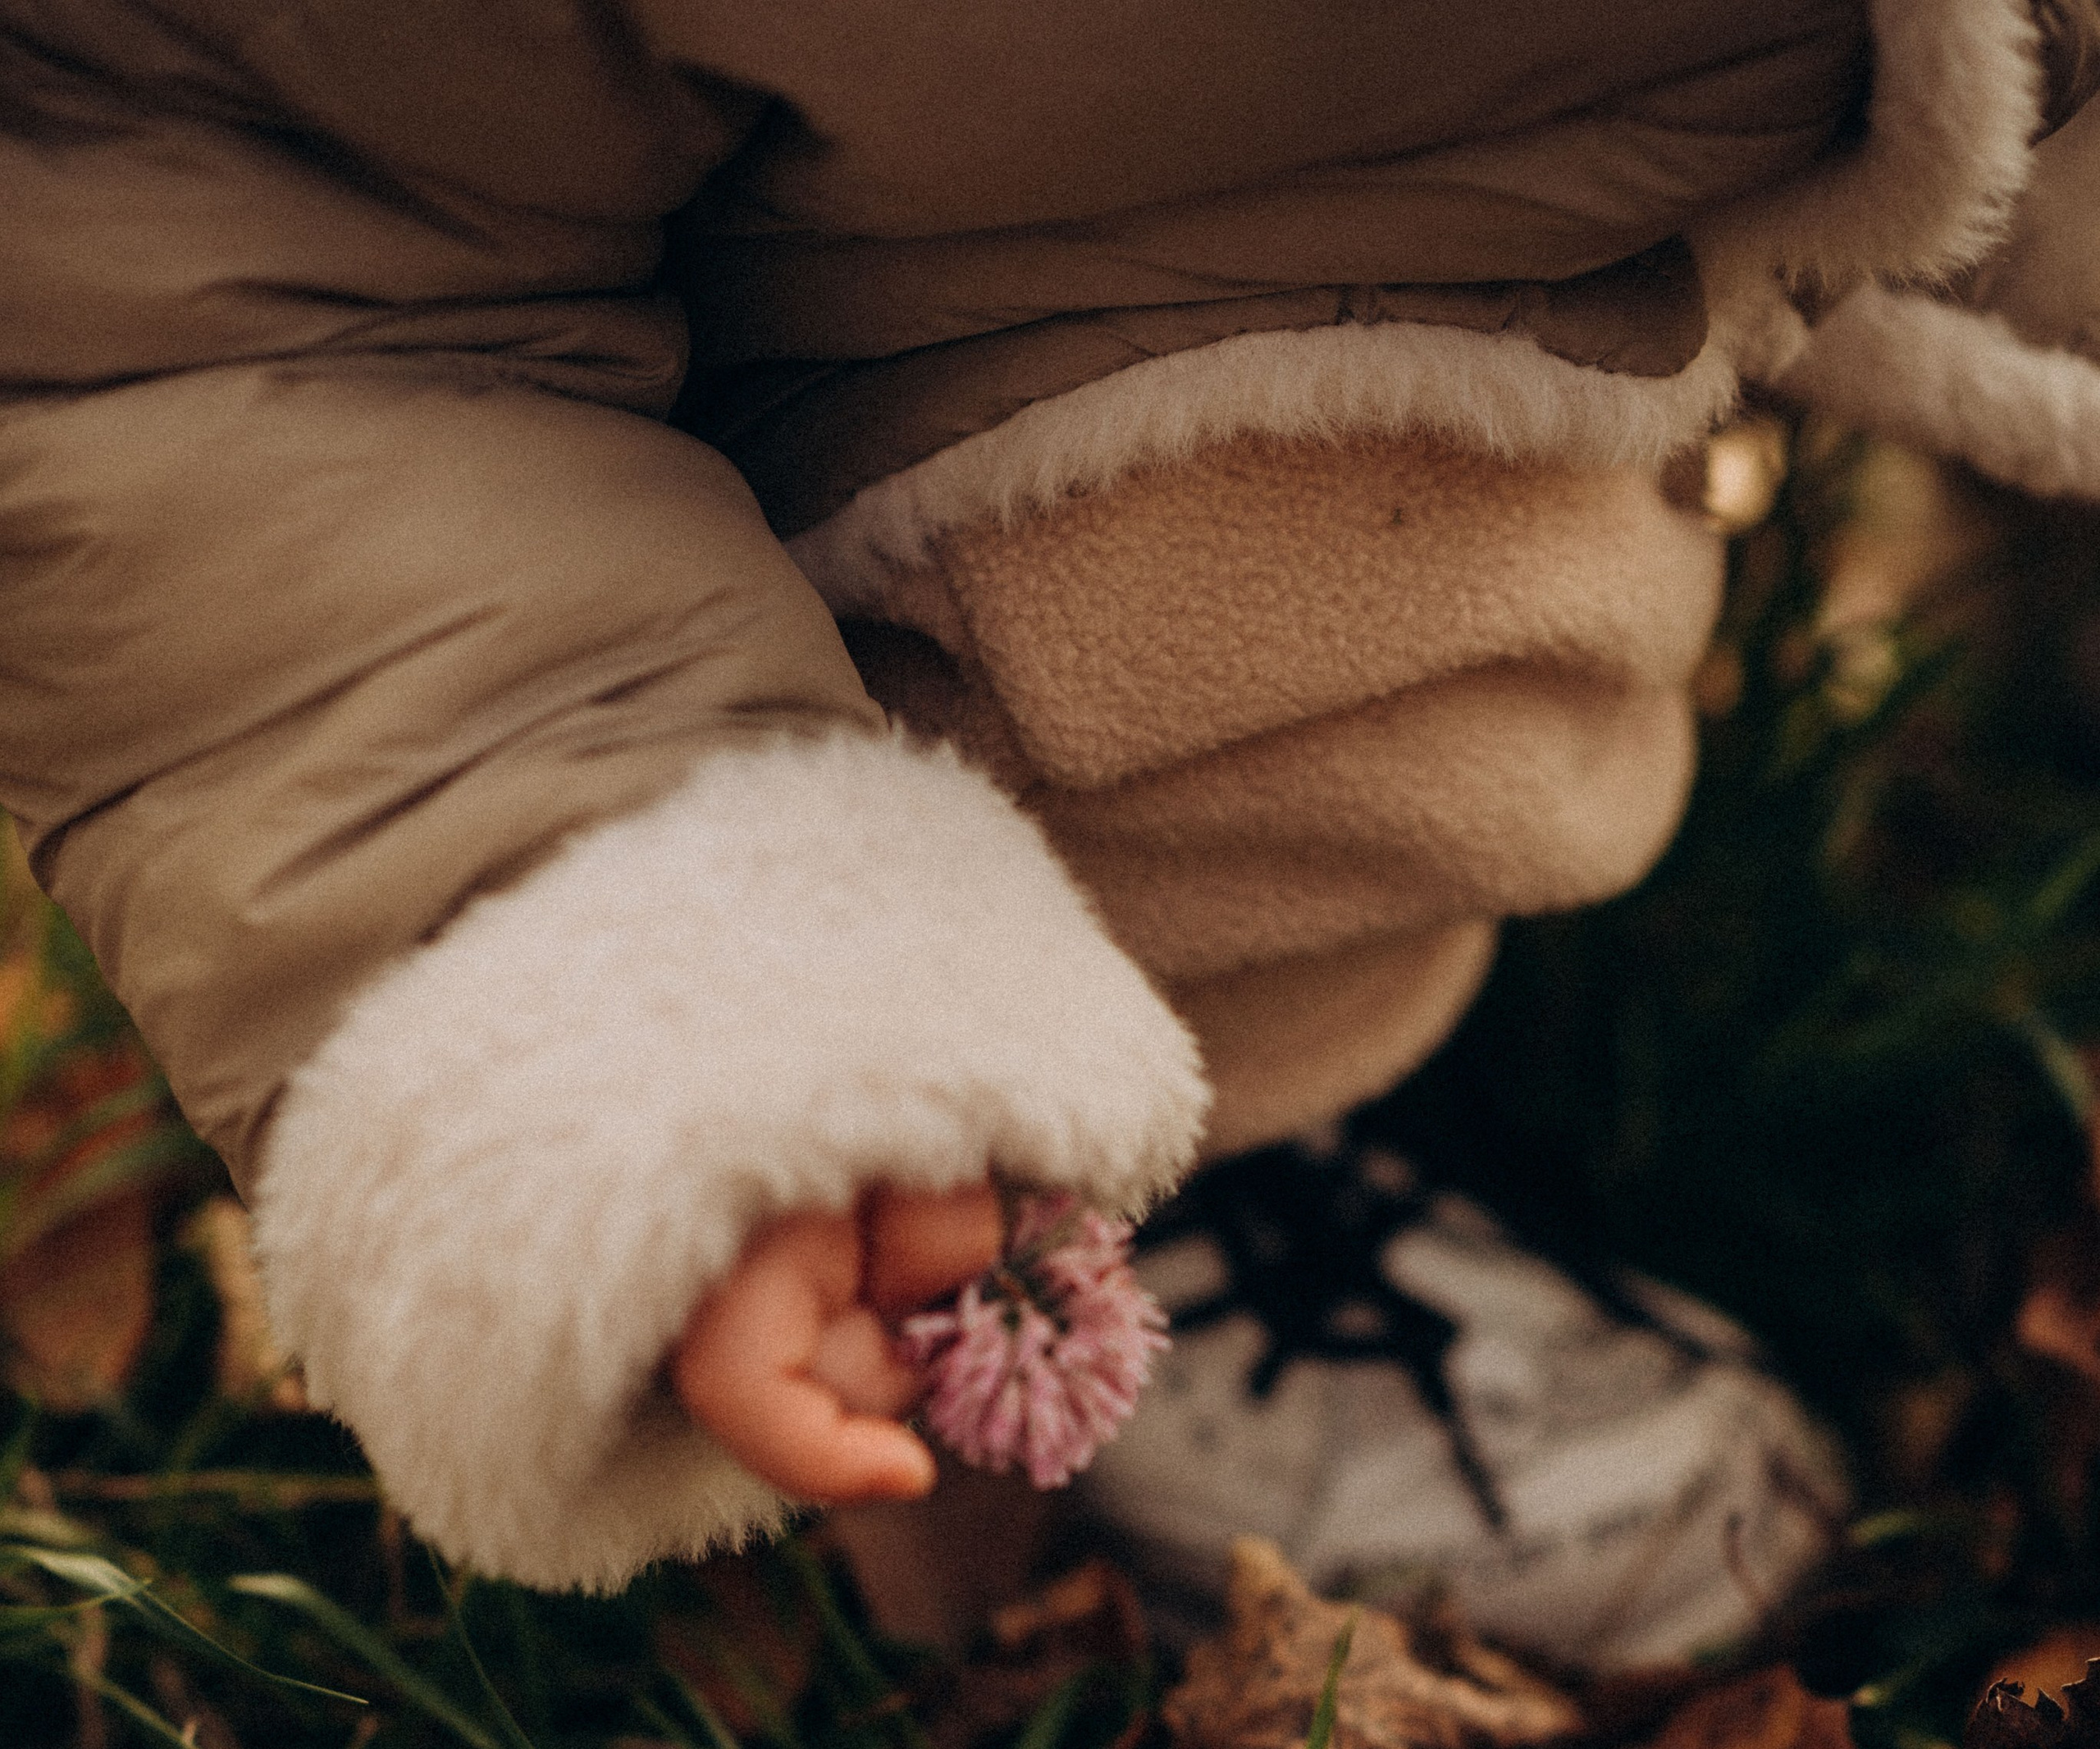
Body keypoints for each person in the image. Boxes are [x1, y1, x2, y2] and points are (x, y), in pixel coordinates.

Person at [3, 3, 2098, 1652]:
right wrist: (694, 1008)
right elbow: (226, 326)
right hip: (868, 391)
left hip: (1604, 158)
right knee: (1195, 550)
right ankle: (1198, 1155)